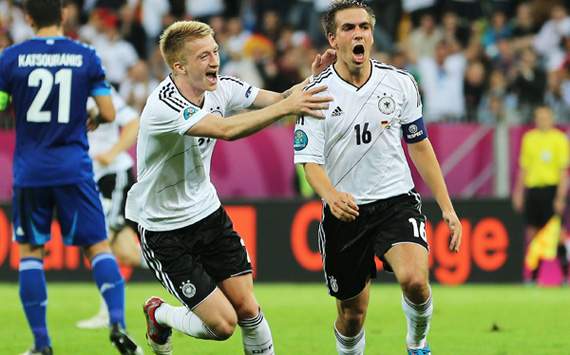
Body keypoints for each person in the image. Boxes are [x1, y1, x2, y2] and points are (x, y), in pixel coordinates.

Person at [124, 20, 332, 355]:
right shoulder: (163, 106)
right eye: (203, 55)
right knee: (221, 326)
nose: (214, 61)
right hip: (164, 229)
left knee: (248, 310)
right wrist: (286, 107)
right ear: (179, 66)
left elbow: (279, 98)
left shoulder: (222, 87)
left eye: (215, 51)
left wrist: (314, 79)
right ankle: (159, 314)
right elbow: (225, 129)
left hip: (208, 215)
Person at [293, 2, 462, 355]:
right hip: (345, 211)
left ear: (371, 34)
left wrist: (447, 207)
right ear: (332, 38)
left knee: (415, 281)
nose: (359, 34)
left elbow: (420, 146)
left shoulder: (400, 83)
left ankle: (417, 343)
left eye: (364, 28)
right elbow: (309, 162)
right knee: (353, 315)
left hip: (396, 201)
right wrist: (330, 196)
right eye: (349, 28)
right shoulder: (315, 94)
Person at [0, 1, 142, 354]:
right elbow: (109, 112)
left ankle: (41, 344)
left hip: (31, 170)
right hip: (75, 168)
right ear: (63, 15)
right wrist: (91, 113)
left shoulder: (10, 58)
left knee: (31, 252)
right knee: (98, 248)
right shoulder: (86, 55)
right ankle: (118, 326)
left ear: (29, 18)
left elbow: (0, 105)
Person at [77, 88, 147, 329]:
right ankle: (188, 259)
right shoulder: (70, 91)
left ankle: (107, 314)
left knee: (101, 240)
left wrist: (112, 153)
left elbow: (133, 121)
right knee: (125, 253)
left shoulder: (101, 91)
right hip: (92, 179)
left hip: (113, 176)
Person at [513, 106, 569, 283]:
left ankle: (566, 274)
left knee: (557, 233)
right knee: (532, 234)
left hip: (552, 190)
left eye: (545, 117)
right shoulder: (529, 138)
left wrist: (560, 197)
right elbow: (523, 168)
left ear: (552, 118)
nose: (542, 120)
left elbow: (564, 171)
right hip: (534, 190)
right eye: (539, 117)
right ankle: (533, 276)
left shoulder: (559, 139)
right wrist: (518, 192)